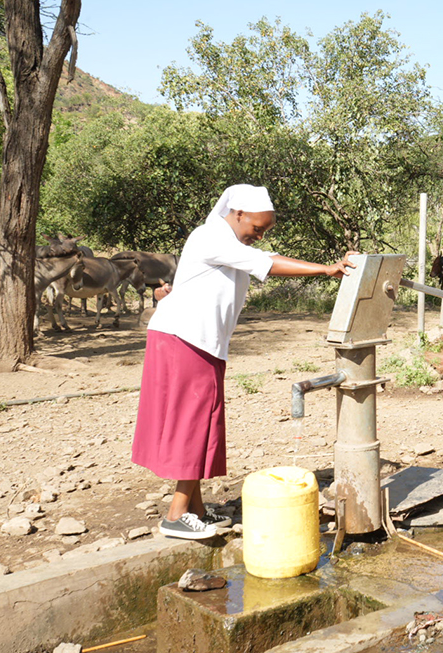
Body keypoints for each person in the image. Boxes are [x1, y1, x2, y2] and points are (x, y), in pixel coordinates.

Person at [131, 184, 355, 540]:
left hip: (198, 340)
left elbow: (258, 257)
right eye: (257, 228)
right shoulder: (211, 237)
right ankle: (175, 514)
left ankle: (196, 509)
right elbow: (267, 263)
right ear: (237, 214)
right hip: (185, 338)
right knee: (194, 419)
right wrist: (326, 270)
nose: (259, 235)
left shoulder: (226, 242)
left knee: (202, 418)